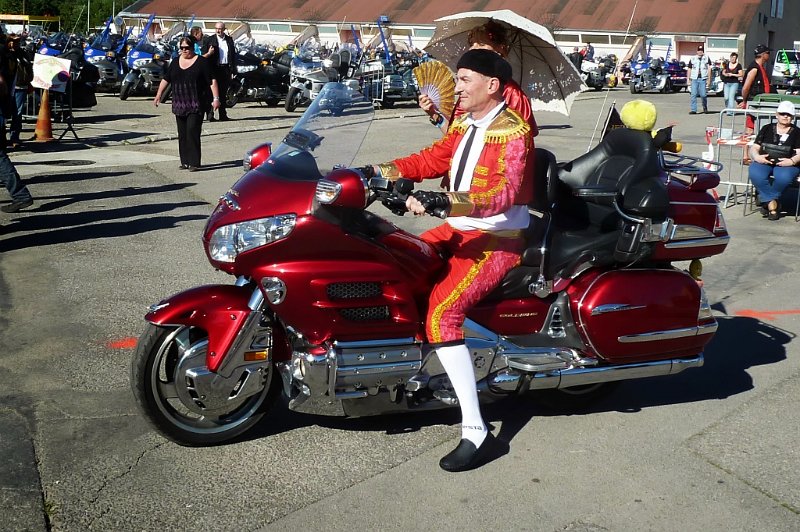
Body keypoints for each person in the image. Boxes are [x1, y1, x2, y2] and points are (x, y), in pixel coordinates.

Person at [371, 49, 533, 472]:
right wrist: (378, 171)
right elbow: (432, 158)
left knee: (443, 314)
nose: (456, 88)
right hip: (457, 228)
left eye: (464, 79)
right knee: (397, 264)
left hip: (496, 239)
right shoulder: (464, 122)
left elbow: (503, 193)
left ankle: (476, 431)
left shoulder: (513, 131)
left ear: (491, 85)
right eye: (457, 79)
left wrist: (445, 201)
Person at [418, 21, 538, 139]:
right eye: (472, 44)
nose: (473, 48)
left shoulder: (513, 93)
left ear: (500, 49)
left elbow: (522, 142)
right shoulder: (469, 88)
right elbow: (454, 137)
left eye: (481, 44)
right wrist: (434, 114)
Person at [153, 36, 220, 171]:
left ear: (192, 47)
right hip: (179, 103)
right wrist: (159, 94)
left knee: (192, 131)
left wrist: (216, 98)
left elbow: (212, 80)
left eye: (187, 48)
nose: (184, 50)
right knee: (182, 134)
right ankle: (185, 161)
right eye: (182, 48)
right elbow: (166, 79)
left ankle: (194, 162)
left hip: (196, 103)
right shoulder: (175, 62)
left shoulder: (201, 62)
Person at [747, 100, 800, 220]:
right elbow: (754, 147)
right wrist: (757, 157)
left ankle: (767, 202)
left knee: (784, 178)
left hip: (787, 164)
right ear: (777, 115)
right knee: (755, 174)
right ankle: (773, 204)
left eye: (789, 114)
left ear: (792, 117)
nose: (785, 116)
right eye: (782, 113)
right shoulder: (766, 128)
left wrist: (791, 161)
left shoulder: (798, 132)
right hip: (764, 160)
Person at [202, 21, 237, 122]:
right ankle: (210, 115)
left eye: (220, 29)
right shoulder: (210, 40)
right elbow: (204, 54)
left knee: (223, 92)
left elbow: (232, 55)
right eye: (216, 28)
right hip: (213, 68)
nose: (218, 31)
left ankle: (223, 115)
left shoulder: (229, 40)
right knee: (210, 92)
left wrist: (233, 70)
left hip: (225, 68)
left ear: (224, 29)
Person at [739, 44, 773, 134]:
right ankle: (747, 143)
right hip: (754, 102)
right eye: (768, 53)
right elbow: (745, 88)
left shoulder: (761, 68)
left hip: (762, 102)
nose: (769, 55)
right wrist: (745, 101)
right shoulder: (754, 68)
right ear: (763, 54)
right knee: (750, 128)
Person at [687, 45, 712, 114]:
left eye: (701, 51)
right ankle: (693, 109)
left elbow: (709, 69)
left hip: (703, 78)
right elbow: (689, 69)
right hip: (694, 78)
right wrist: (688, 79)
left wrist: (709, 79)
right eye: (699, 50)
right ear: (697, 51)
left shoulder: (706, 58)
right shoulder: (693, 58)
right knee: (693, 94)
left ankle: (705, 107)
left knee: (703, 94)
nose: (700, 52)